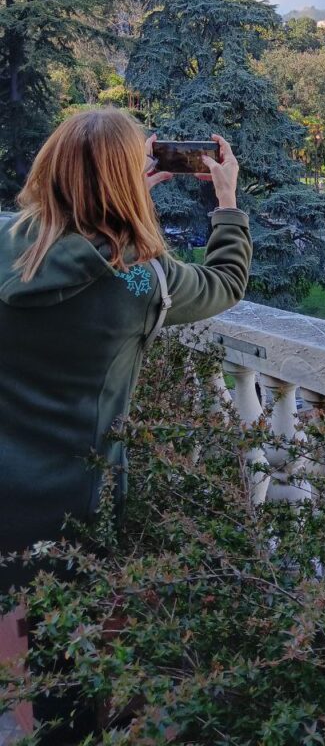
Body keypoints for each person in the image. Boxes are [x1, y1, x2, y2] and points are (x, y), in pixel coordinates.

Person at [0, 109, 253, 741]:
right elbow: (226, 282)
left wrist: (118, 188)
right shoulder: (140, 280)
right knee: (64, 666)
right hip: (71, 511)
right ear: (129, 181)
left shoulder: (4, 240)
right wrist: (227, 202)